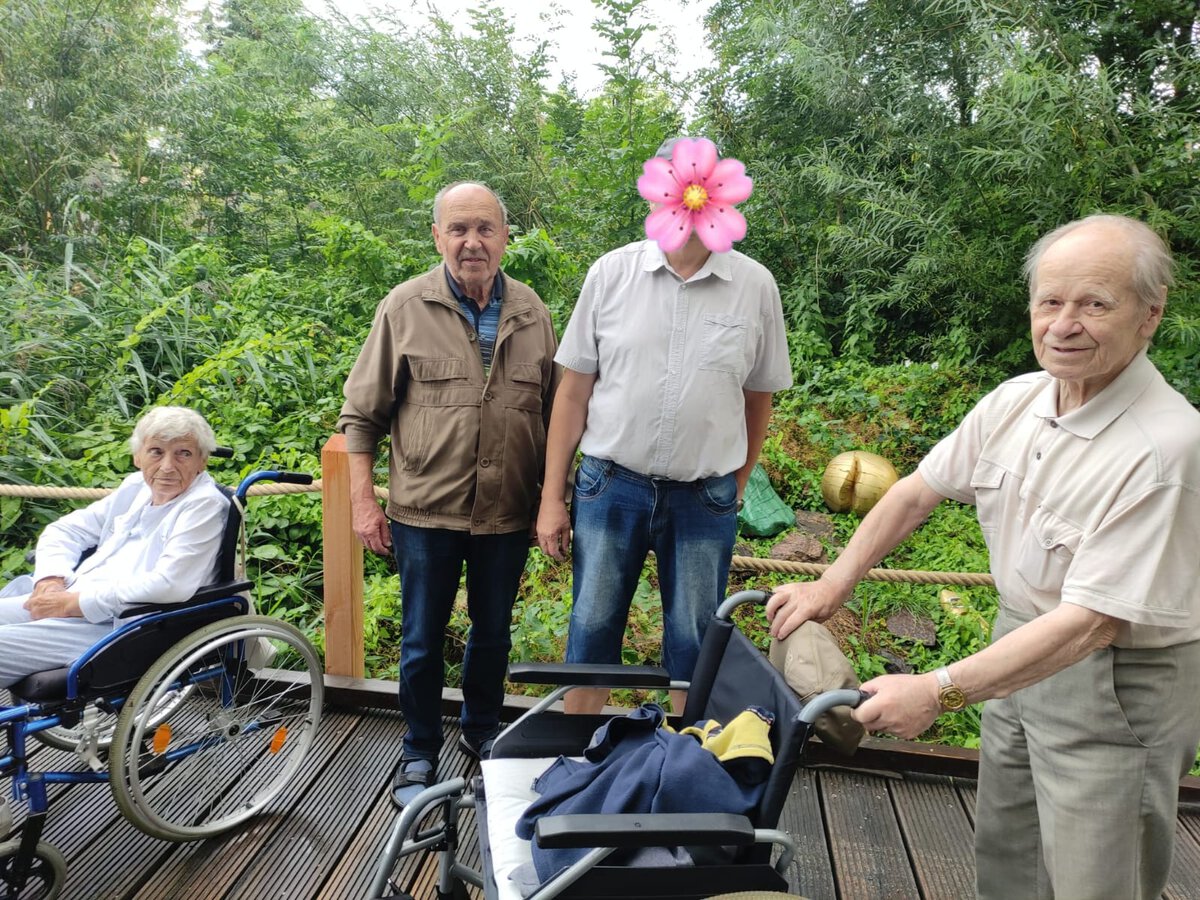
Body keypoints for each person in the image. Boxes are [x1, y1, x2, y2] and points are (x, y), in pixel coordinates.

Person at [766, 213, 1200, 900]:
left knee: (1096, 879)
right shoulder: (1018, 400)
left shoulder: (1164, 448)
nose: (1064, 323)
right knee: (1010, 853)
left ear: (1150, 314)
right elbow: (913, 493)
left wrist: (938, 690)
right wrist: (832, 584)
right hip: (1018, 644)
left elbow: (1092, 623)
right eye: (1050, 301)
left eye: (1095, 303)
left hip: (1115, 681)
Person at [536, 137, 792, 715]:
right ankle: (578, 764)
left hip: (704, 496)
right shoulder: (611, 274)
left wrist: (738, 481)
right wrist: (553, 497)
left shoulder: (755, 286)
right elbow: (572, 394)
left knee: (696, 640)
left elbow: (759, 398)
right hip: (610, 485)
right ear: (660, 193)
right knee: (592, 627)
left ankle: (684, 767)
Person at [338, 181, 558, 805]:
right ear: (437, 236)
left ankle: (483, 734)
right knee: (420, 637)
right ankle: (417, 751)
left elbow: (554, 412)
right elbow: (362, 418)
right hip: (424, 513)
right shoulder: (404, 307)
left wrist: (555, 499)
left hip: (507, 512)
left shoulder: (532, 312)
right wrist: (363, 501)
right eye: (458, 229)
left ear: (505, 237)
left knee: (493, 633)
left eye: (485, 229)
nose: (472, 242)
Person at [0, 406, 228, 687]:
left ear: (202, 461)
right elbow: (66, 529)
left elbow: (171, 583)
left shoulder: (204, 504)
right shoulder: (136, 488)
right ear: (137, 457)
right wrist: (51, 580)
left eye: (183, 453)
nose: (168, 466)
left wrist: (75, 603)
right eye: (156, 451)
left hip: (122, 625)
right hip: (72, 597)